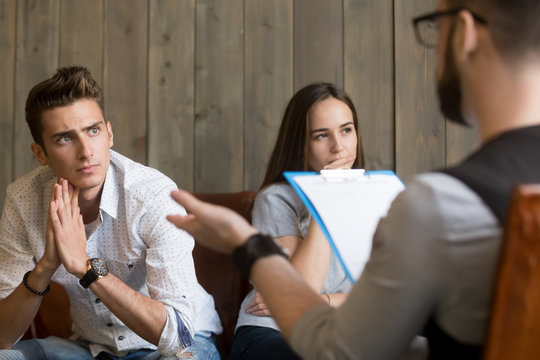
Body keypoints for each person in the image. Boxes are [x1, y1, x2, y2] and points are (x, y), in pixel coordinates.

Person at [167, 0, 540, 358]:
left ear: (465, 33)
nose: (337, 145)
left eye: (436, 28)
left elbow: (339, 351)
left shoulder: (438, 204)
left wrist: (244, 243)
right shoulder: (284, 198)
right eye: (321, 135)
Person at [0, 66, 222, 359]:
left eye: (93, 131)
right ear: (40, 153)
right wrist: (45, 266)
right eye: (64, 138)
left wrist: (86, 266)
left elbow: (176, 335)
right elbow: (3, 336)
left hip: (174, 347)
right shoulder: (23, 198)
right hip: (91, 349)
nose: (86, 151)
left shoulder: (152, 195)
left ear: (109, 134)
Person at [231, 83, 364, 359]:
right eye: (320, 136)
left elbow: (387, 296)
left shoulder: (376, 196)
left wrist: (325, 302)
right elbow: (300, 292)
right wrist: (325, 201)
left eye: (346, 130)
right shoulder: (277, 198)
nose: (338, 147)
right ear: (301, 143)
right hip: (272, 331)